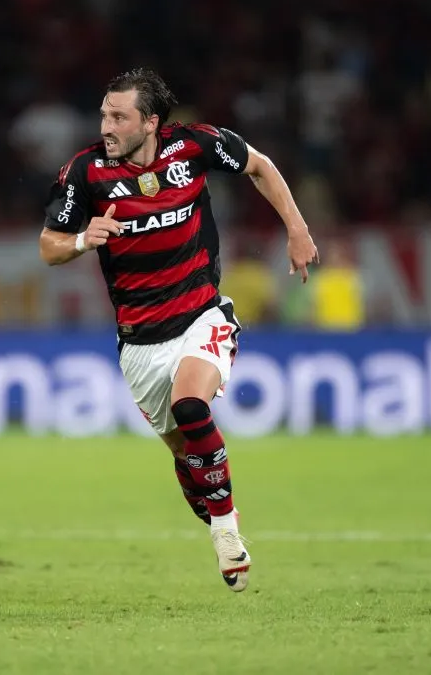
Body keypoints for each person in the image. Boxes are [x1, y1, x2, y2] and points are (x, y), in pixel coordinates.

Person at [39, 68, 319, 592]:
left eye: (118, 116)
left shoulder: (194, 146)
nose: (107, 125)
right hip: (140, 343)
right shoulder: (85, 173)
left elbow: (260, 166)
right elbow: (48, 245)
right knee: (190, 464)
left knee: (193, 406)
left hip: (202, 314)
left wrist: (297, 228)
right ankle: (212, 509)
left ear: (150, 122)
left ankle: (227, 532)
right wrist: (82, 241)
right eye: (104, 114)